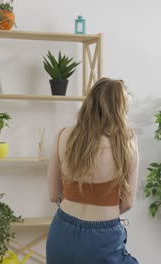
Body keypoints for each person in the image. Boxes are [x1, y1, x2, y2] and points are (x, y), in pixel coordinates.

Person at [46, 78, 139, 264]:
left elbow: (53, 194)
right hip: (103, 238)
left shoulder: (63, 136)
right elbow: (128, 203)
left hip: (62, 232)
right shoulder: (126, 142)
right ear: (119, 111)